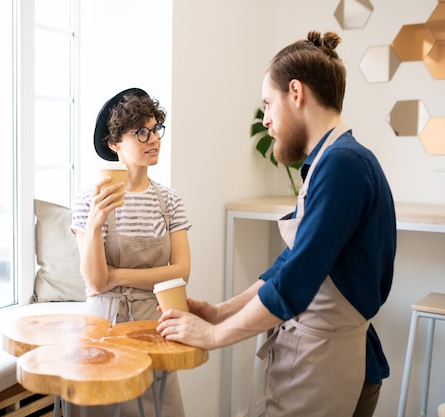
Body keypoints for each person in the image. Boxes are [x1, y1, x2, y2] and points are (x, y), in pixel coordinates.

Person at [157, 31, 397, 417]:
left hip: (328, 364)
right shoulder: (333, 161)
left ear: (296, 93)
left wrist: (215, 335)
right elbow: (291, 260)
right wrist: (222, 311)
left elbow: (299, 278)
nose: (266, 120)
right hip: (322, 356)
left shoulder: (342, 165)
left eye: (269, 103)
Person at [70, 87, 191, 416]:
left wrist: (119, 276)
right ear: (114, 144)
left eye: (155, 129)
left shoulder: (170, 201)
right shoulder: (89, 201)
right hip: (102, 330)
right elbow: (96, 282)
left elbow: (181, 272)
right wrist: (95, 223)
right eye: (140, 132)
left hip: (153, 326)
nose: (153, 139)